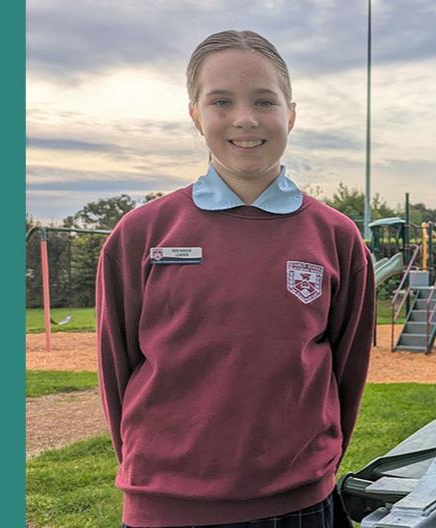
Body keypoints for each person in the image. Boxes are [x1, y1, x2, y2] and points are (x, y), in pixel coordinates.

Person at [95, 30, 376, 528]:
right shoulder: (142, 233)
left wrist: (313, 468)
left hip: (298, 504)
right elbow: (116, 372)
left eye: (264, 101)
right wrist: (157, 474)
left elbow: (346, 373)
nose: (245, 119)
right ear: (195, 114)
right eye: (221, 101)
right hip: (164, 507)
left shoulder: (336, 237)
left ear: (290, 112)